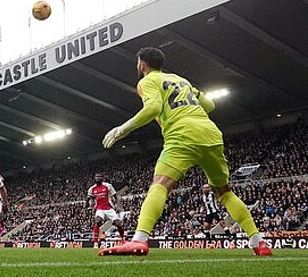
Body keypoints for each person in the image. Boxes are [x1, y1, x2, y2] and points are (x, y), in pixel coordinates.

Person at [99, 47, 271, 256]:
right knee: (225, 193)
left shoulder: (147, 81)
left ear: (142, 64)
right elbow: (210, 105)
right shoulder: (180, 80)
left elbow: (153, 108)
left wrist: (122, 130)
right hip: (210, 134)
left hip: (182, 135)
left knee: (160, 185)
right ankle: (258, 243)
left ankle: (139, 240)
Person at [85, 173, 125, 248]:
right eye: (96, 176)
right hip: (99, 208)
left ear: (102, 178)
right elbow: (87, 204)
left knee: (118, 223)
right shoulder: (91, 189)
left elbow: (115, 196)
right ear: (94, 178)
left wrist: (118, 206)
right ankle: (95, 243)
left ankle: (123, 239)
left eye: (100, 176)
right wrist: (87, 201)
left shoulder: (108, 186)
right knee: (97, 221)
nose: (98, 178)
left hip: (109, 208)